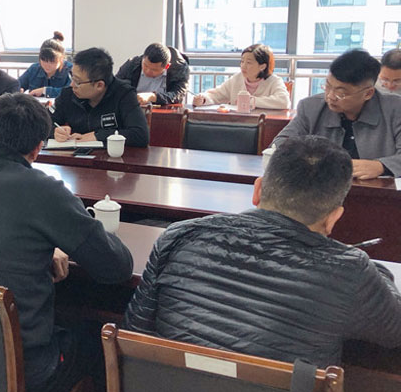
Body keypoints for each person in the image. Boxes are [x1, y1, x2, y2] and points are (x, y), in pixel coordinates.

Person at [0, 93, 133, 392]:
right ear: (38, 148)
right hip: (22, 375)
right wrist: (50, 240)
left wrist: (37, 244)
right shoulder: (44, 190)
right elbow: (116, 268)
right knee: (92, 334)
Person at [124, 135, 401, 368]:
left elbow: (134, 332)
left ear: (257, 191)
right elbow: (394, 331)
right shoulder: (350, 271)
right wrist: (372, 268)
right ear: (333, 218)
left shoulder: (180, 235)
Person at [274, 49, 401, 179]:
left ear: (368, 93)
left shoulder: (395, 109)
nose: (330, 96)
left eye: (341, 93)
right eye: (328, 86)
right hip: (321, 186)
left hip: (378, 189)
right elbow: (281, 143)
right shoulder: (311, 107)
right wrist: (316, 161)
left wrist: (381, 166)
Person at [51, 47, 149, 147]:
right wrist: (55, 132)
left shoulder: (124, 94)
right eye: (72, 77)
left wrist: (98, 136)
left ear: (99, 85)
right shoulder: (68, 94)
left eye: (77, 81)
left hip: (112, 155)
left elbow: (141, 135)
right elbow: (45, 124)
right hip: (75, 153)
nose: (72, 85)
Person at [192, 43, 290, 109]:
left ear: (262, 66)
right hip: (240, 125)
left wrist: (252, 101)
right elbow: (217, 95)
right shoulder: (237, 79)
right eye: (242, 61)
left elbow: (284, 101)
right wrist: (203, 99)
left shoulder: (274, 81)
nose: (243, 66)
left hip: (264, 125)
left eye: (249, 62)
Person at [115, 42, 190, 106]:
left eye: (154, 70)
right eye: (145, 65)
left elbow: (177, 95)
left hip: (164, 113)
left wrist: (153, 97)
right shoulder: (132, 65)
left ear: (167, 66)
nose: (147, 71)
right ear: (143, 58)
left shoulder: (179, 70)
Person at [17, 32, 72, 98]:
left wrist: (45, 91)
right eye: (44, 60)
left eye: (52, 61)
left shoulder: (70, 70)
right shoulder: (34, 69)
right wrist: (17, 90)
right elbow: (17, 85)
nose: (47, 65)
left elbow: (72, 92)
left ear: (61, 59)